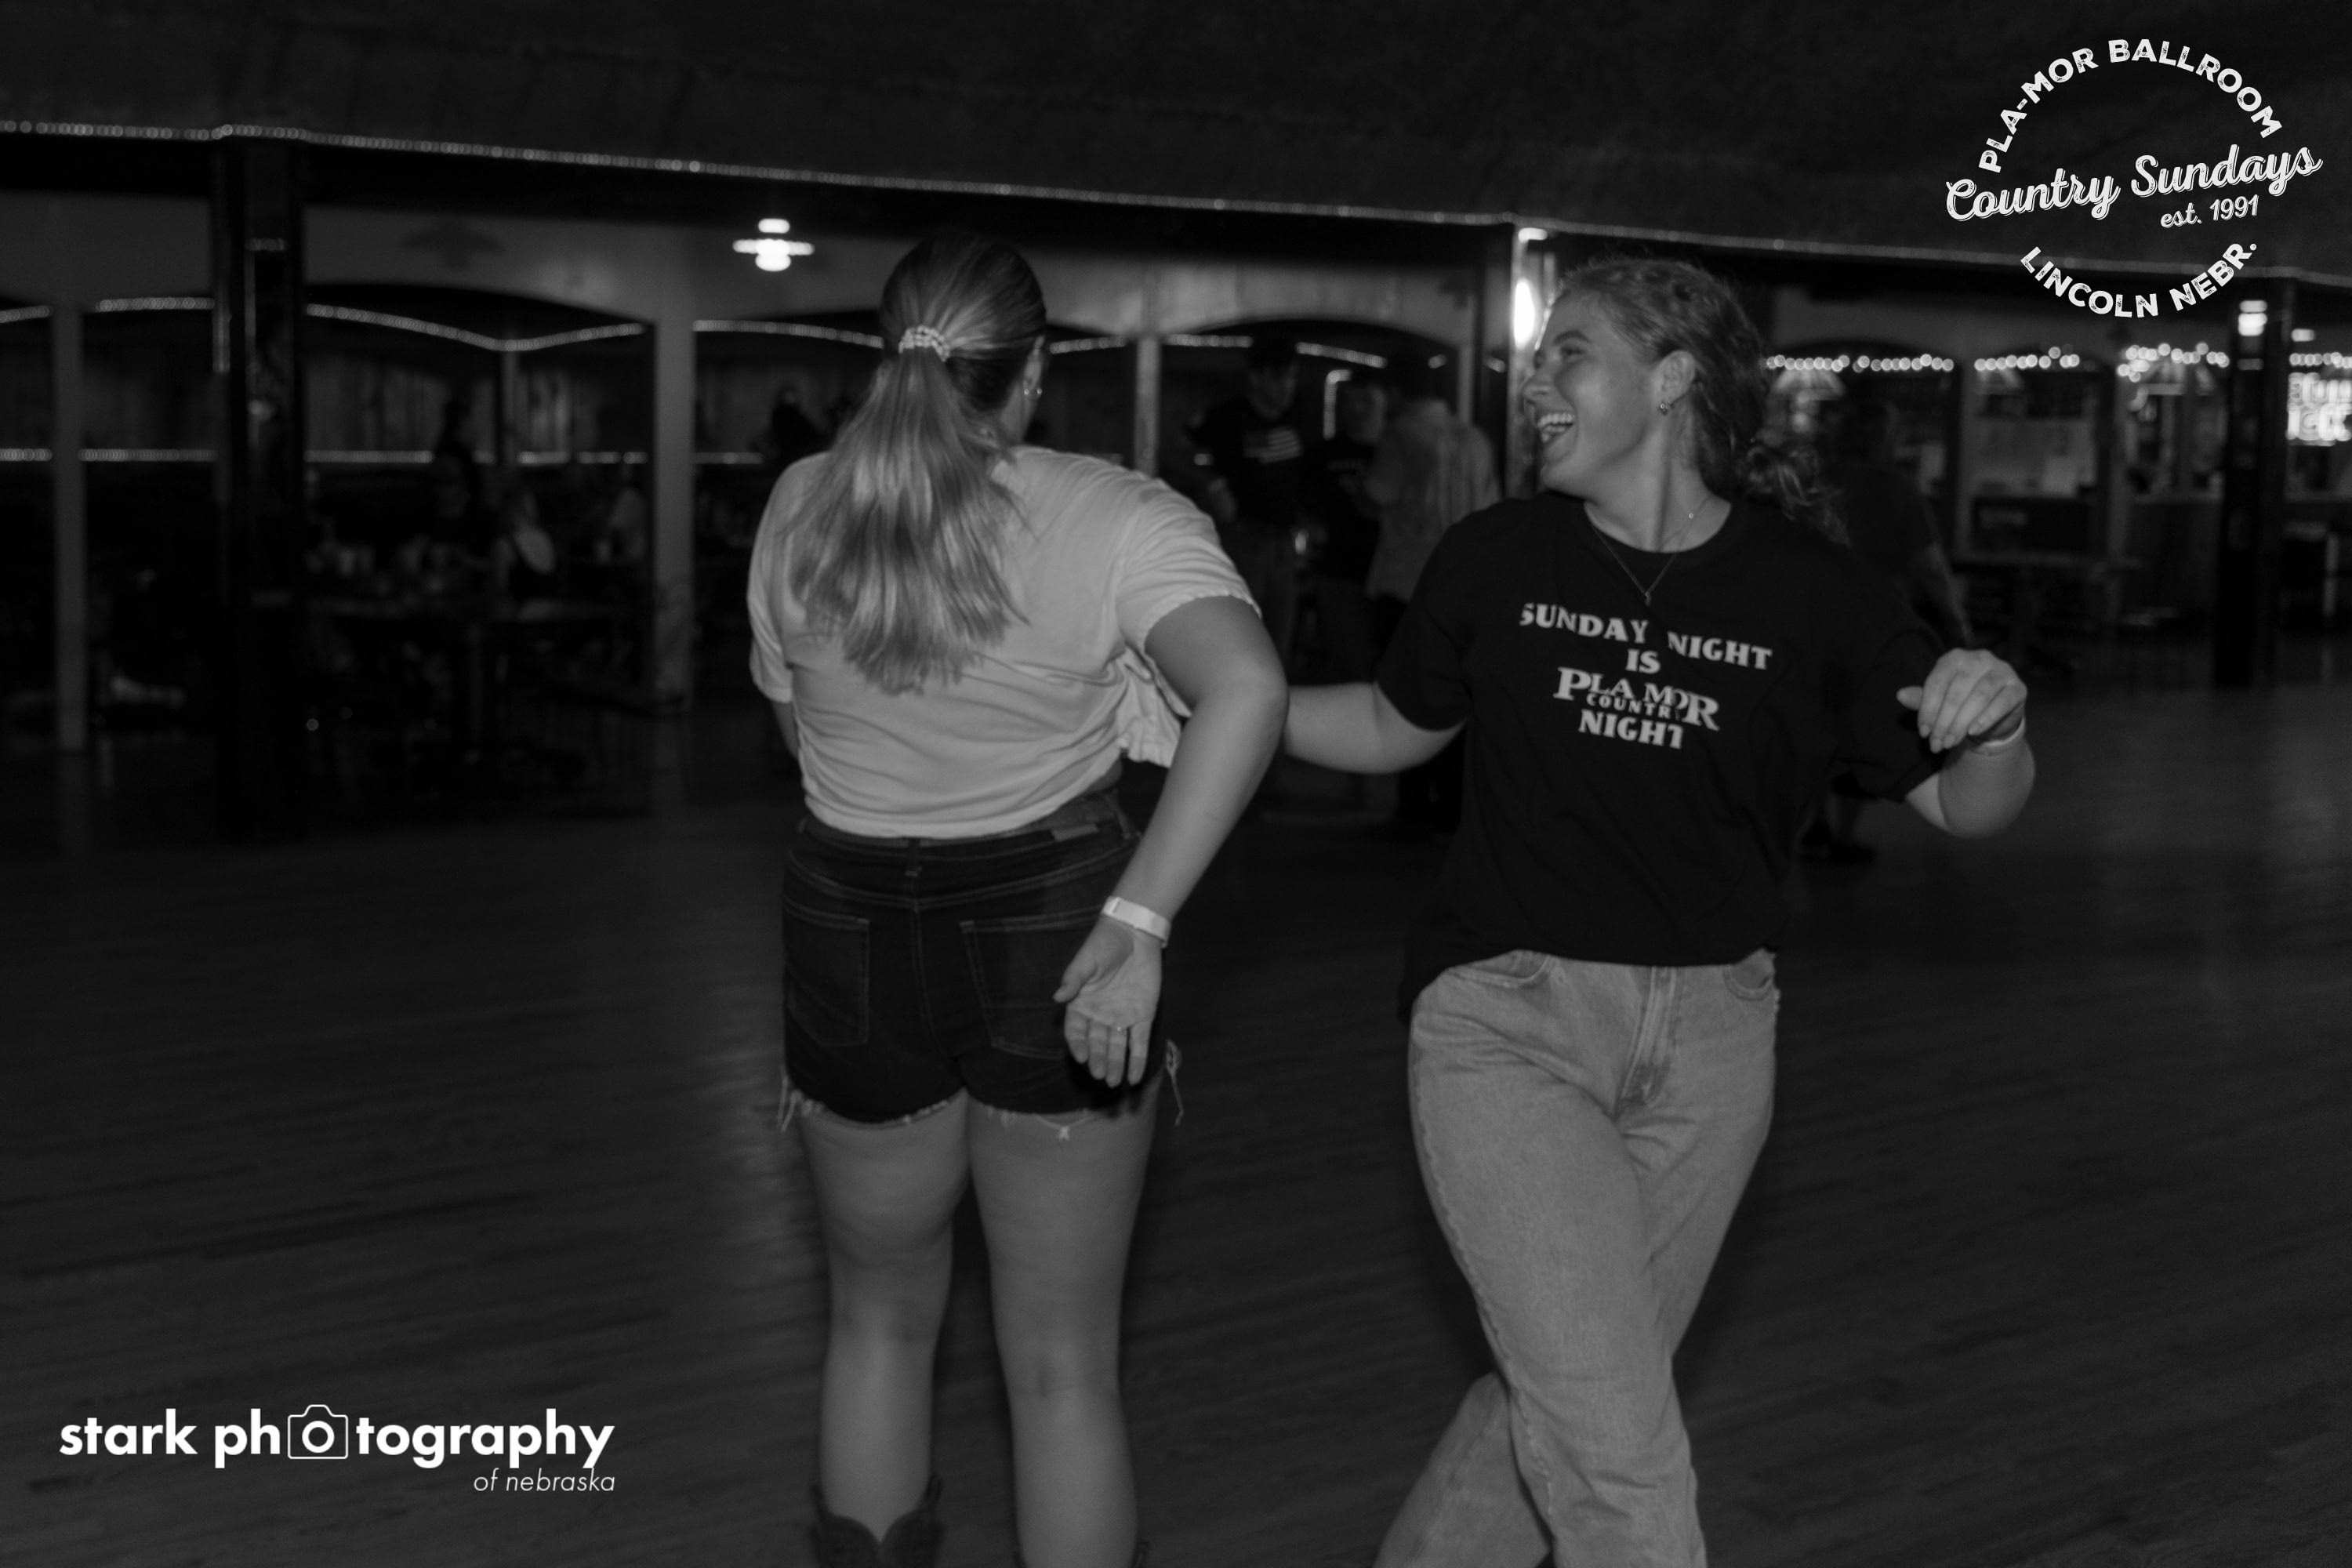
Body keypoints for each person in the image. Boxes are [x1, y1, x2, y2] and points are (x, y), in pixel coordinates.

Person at [1284, 257, 2034, 1568]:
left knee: (1570, 1392)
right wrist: (1214, 708)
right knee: (1618, 1454)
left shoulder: (1815, 592)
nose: (1536, 379)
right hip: (1506, 1022)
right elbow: (1392, 727)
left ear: (1674, 378)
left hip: (1712, 1046)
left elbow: (1971, 808)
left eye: (1569, 353)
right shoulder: (1497, 556)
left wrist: (1999, 727)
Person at [746, 231, 1285, 1568]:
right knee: (1060, 1366)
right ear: (1034, 371)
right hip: (1055, 928)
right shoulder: (1115, 516)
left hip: (848, 926)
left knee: (876, 1322)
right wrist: (1139, 923)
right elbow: (1249, 690)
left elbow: (799, 733)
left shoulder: (802, 501)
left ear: (887, 354)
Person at [1802, 394, 1978, 863]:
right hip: (1872, 628)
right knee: (1859, 724)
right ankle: (1843, 833)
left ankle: (1814, 824)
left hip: (1812, 620)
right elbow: (1929, 566)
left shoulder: (1817, 482)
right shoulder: (1896, 489)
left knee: (1815, 722)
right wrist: (1957, 620)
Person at [1363, 356, 1498, 836]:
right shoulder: (1474, 439)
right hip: (1467, 585)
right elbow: (1492, 507)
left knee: (1406, 700)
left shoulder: (1400, 437)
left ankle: (1414, 806)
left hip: (1406, 582)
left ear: (1398, 393)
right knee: (1457, 697)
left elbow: (1379, 494)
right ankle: (1453, 805)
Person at [1187, 334, 1307, 665]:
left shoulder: (1297, 416)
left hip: (1284, 543)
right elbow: (1175, 449)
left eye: (1292, 377)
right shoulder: (1227, 418)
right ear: (1257, 377)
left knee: (1279, 646)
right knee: (1243, 642)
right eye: (1279, 377)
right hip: (1245, 541)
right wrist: (1213, 486)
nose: (1287, 387)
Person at [1305, 374, 1386, 682]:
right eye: (1350, 402)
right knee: (1348, 663)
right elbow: (1305, 507)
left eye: (1367, 401)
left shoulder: (1396, 451)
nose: (1358, 409)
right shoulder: (1322, 455)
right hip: (1338, 571)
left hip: (1390, 576)